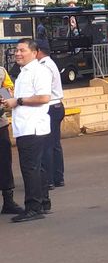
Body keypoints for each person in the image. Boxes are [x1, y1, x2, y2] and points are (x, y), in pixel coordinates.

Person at [2, 39, 53, 222]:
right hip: (25, 126)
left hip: (32, 126)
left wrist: (18, 101)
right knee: (36, 168)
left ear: (34, 52)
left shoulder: (38, 71)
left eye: (22, 50)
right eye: (16, 50)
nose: (17, 53)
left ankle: (33, 207)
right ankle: (43, 202)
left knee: (30, 168)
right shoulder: (23, 72)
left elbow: (44, 97)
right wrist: (11, 101)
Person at [35, 39, 66, 188]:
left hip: (50, 106)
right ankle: (58, 177)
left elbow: (43, 90)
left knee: (47, 145)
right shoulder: (50, 63)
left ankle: (49, 179)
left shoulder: (44, 67)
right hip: (56, 106)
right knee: (54, 144)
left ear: (38, 51)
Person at [0, 63, 22, 215]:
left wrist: (5, 97)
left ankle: (8, 201)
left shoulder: (1, 72)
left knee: (4, 163)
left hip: (0, 125)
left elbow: (9, 91)